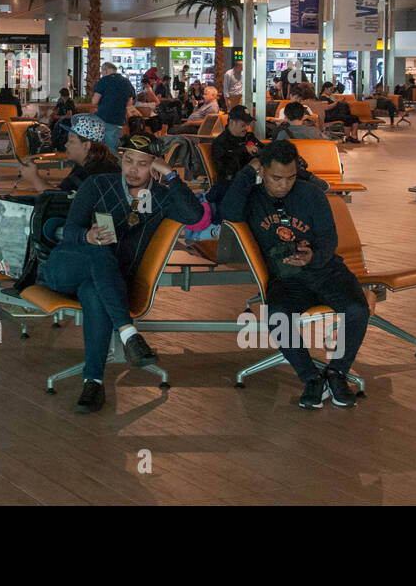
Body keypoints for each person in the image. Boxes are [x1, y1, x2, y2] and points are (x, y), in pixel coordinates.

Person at [39, 132, 205, 413]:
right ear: (120, 159)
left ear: (154, 165)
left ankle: (94, 382)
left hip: (109, 282)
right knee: (100, 250)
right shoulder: (98, 184)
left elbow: (194, 216)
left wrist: (171, 175)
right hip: (67, 267)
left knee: (94, 293)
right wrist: (86, 237)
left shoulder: (160, 197)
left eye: (143, 163)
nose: (133, 170)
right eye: (128, 161)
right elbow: (68, 232)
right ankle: (129, 334)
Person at [219, 139, 369, 409]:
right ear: (262, 171)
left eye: (290, 177)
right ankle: (311, 377)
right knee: (278, 317)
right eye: (276, 177)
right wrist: (246, 172)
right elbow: (227, 213)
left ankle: (337, 373)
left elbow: (329, 239)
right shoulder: (252, 199)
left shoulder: (311, 194)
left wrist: (313, 256)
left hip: (325, 271)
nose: (284, 185)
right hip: (286, 280)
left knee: (356, 309)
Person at [17, 112, 120, 194]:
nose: (66, 145)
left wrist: (34, 178)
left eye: (71, 141)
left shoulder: (90, 173)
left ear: (86, 146)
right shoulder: (102, 164)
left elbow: (61, 198)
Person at [209, 104, 262, 203]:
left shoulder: (248, 137)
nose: (246, 128)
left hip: (254, 182)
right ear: (232, 122)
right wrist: (243, 150)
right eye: (243, 125)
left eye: (248, 125)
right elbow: (224, 170)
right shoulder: (220, 143)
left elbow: (264, 150)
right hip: (231, 187)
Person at [91, 61, 134, 153]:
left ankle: (115, 166)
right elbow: (130, 102)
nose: (102, 74)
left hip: (104, 117)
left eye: (102, 72)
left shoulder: (103, 81)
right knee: (113, 145)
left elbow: (94, 101)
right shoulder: (126, 81)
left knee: (109, 149)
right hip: (119, 119)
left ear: (105, 71)